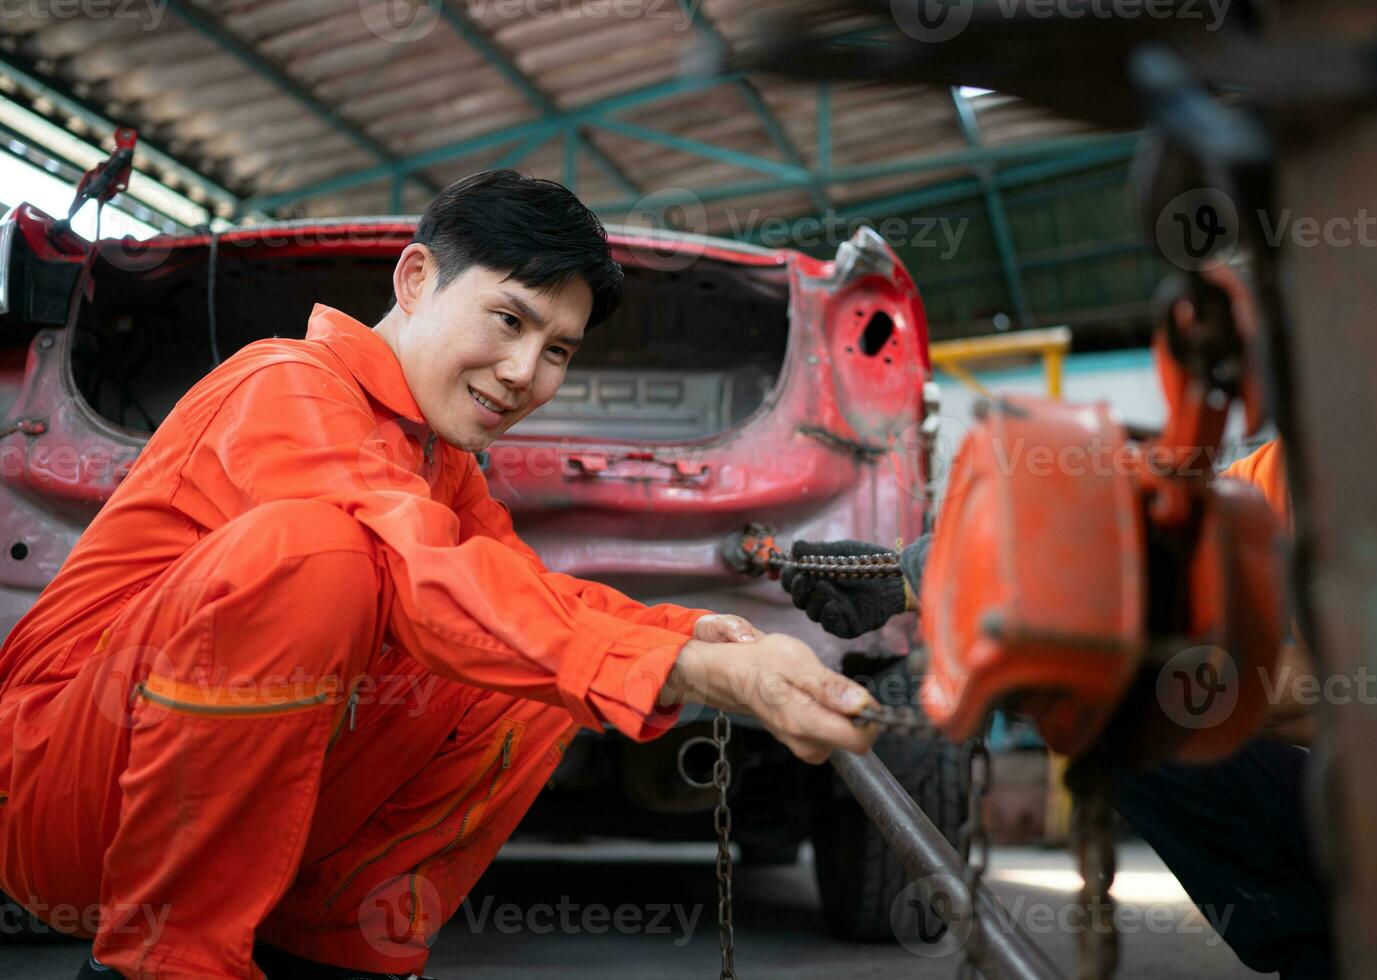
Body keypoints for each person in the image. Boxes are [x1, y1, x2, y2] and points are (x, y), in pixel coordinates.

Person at [0, 171, 878, 980]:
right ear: (415, 279)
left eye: (559, 350)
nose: (524, 374)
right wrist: (694, 670)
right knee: (323, 555)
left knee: (523, 662)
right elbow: (418, 567)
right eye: (508, 320)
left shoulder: (440, 463)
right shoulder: (284, 384)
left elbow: (519, 598)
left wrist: (695, 639)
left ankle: (339, 953)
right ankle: (167, 962)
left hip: (148, 794)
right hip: (61, 791)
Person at [780, 437, 1335, 978]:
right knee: (1125, 719)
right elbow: (1156, 555)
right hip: (1344, 796)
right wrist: (911, 579)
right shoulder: (1290, 472)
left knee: (1130, 695)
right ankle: (1319, 953)